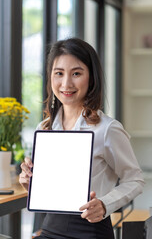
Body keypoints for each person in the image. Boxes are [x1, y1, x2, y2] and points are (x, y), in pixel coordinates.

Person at [19, 38, 144, 239]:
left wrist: (105, 204)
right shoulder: (44, 128)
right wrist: (30, 183)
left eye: (76, 73)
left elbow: (135, 179)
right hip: (50, 230)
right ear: (50, 77)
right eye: (59, 73)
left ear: (91, 78)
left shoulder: (107, 129)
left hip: (90, 231)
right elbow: (54, 190)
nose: (66, 83)